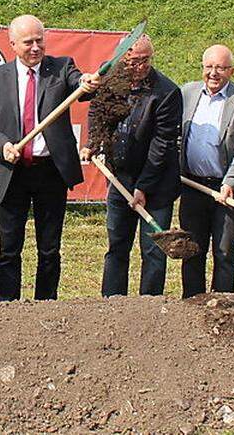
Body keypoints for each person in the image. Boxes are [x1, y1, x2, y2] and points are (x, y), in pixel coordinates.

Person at [0, 15, 101, 301]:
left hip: (50, 172)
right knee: (9, 248)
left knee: (49, 248)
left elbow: (78, 84)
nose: (35, 47)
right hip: (13, 172)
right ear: (13, 44)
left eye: (39, 40)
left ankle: (46, 305)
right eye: (28, 42)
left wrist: (86, 82)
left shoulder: (61, 68)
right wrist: (3, 144)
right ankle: (6, 306)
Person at [77, 35, 181, 296]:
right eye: (132, 62)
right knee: (117, 245)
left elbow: (162, 144)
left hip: (156, 182)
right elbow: (98, 111)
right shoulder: (112, 79)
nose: (139, 67)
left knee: (153, 249)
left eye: (144, 61)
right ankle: (112, 303)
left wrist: (144, 187)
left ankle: (149, 307)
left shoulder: (166, 93)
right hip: (120, 176)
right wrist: (93, 143)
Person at [178, 45, 234, 298]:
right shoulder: (187, 93)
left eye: (220, 68)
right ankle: (192, 301)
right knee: (192, 248)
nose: (213, 73)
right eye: (209, 67)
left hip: (227, 190)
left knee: (224, 250)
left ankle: (222, 303)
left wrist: (230, 183)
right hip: (193, 185)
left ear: (232, 70)